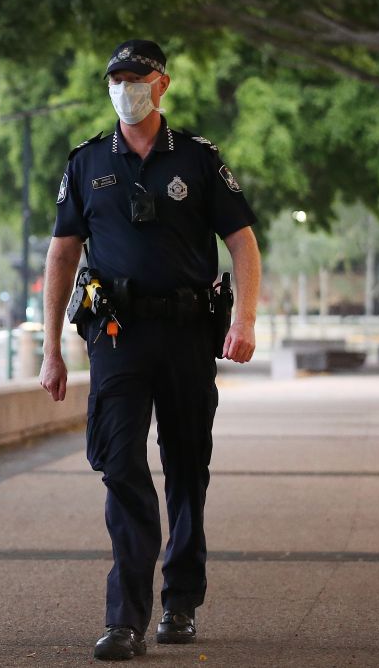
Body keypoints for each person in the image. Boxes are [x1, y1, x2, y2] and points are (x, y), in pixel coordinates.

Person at [38, 40, 262, 660]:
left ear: (161, 84)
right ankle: (125, 617)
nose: (125, 89)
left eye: (136, 78)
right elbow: (62, 254)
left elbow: (243, 242)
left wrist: (245, 319)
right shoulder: (86, 162)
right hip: (117, 337)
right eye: (116, 79)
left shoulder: (197, 158)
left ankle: (180, 600)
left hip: (188, 333)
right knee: (120, 465)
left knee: (187, 466)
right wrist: (51, 347)